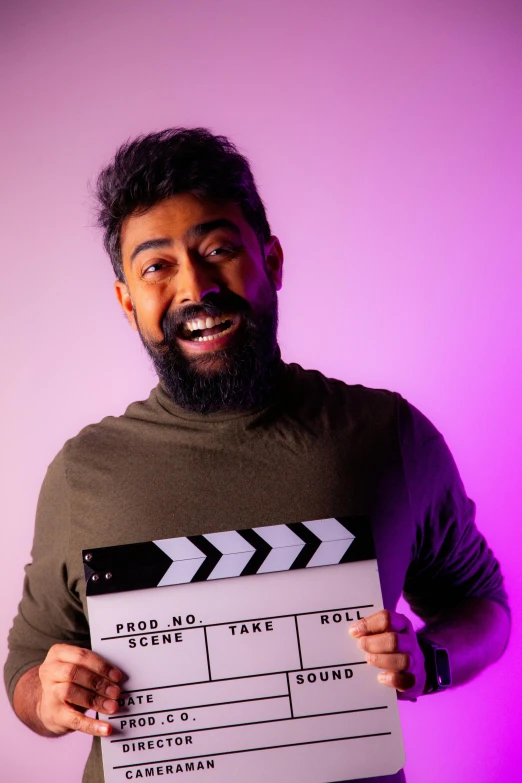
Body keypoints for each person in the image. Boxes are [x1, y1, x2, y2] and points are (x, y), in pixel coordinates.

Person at [5, 128, 510, 783]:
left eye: (218, 249)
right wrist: (46, 695)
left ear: (270, 260)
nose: (195, 287)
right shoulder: (82, 473)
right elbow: (26, 662)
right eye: (157, 265)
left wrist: (432, 658)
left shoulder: (386, 435)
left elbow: (485, 608)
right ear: (128, 301)